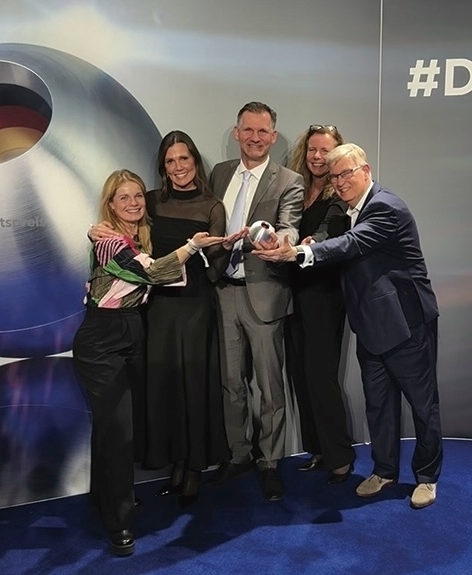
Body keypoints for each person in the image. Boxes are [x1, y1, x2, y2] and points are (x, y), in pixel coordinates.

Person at [253, 143, 443, 509]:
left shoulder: (385, 206)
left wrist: (299, 253)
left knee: (423, 406)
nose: (340, 182)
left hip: (407, 325)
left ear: (366, 171)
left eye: (346, 173)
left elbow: (351, 244)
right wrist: (304, 243)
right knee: (378, 405)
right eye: (334, 176)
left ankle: (427, 477)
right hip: (370, 325)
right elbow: (335, 240)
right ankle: (384, 471)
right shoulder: (347, 210)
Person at [72, 169, 226, 556]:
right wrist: (193, 245)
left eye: (138, 196)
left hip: (131, 332)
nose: (134, 203)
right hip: (102, 339)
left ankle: (104, 499)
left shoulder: (133, 238)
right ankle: (119, 523)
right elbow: (154, 273)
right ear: (110, 204)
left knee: (112, 427)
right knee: (118, 432)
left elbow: (161, 276)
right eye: (123, 197)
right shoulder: (109, 241)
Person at [206, 101, 304, 502]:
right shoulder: (219, 173)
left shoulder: (289, 180)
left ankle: (270, 462)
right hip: (223, 291)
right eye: (248, 130)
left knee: (269, 386)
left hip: (265, 294)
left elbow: (290, 226)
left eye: (263, 131)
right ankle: (239, 454)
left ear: (274, 136)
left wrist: (281, 241)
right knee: (231, 383)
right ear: (237, 133)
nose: (255, 138)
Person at [137, 131, 229, 508]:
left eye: (184, 159)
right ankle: (173, 462)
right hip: (157, 307)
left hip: (195, 306)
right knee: (165, 386)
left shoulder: (212, 206)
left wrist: (222, 249)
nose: (178, 167)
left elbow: (216, 270)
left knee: (194, 385)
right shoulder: (150, 202)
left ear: (195, 161)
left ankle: (193, 468)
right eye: (170, 161)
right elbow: (133, 243)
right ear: (163, 166)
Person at [285, 125, 356, 484]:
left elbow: (330, 232)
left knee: (320, 376)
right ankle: (317, 449)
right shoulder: (296, 190)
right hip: (292, 293)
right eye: (312, 150)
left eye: (325, 151)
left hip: (324, 296)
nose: (317, 157)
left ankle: (339, 456)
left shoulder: (338, 194)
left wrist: (310, 245)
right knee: (300, 374)